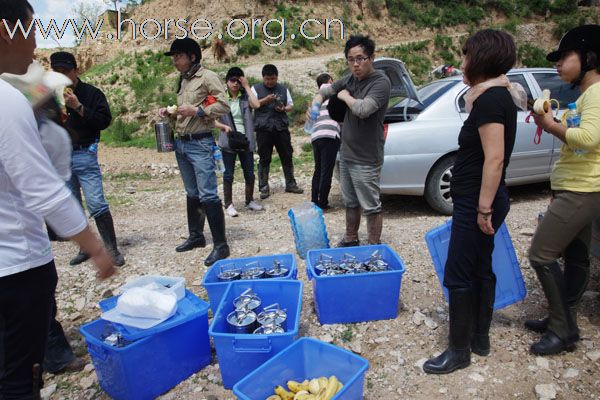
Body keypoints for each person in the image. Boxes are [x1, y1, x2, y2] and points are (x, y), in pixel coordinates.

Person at [0, 2, 115, 398]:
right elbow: (42, 187)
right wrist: (95, 248)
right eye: (30, 29)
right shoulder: (5, 99)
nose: (34, 41)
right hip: (14, 267)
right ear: (6, 30)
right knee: (17, 382)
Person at [422, 29, 522, 374]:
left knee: (459, 273)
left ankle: (459, 350)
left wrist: (482, 208)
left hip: (479, 202)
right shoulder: (494, 96)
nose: (462, 62)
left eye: (466, 55)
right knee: (480, 268)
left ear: (480, 59)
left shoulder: (492, 99)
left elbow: (494, 159)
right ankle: (480, 338)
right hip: (483, 199)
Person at [527, 24, 600, 356]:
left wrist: (548, 125)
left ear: (588, 57)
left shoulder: (597, 92)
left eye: (564, 57)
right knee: (576, 257)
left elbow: (588, 139)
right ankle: (563, 317)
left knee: (541, 254)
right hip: (579, 187)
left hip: (582, 189)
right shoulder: (586, 95)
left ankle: (562, 328)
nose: (558, 64)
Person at [309, 35, 391, 246]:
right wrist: (317, 103)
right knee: (350, 201)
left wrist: (344, 96)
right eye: (351, 59)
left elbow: (363, 109)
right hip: (346, 153)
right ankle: (351, 238)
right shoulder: (349, 79)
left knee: (371, 205)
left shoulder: (380, 82)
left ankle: (373, 245)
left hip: (367, 156)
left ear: (372, 58)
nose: (355, 64)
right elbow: (326, 90)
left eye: (361, 58)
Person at [158, 38, 231, 266]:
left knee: (208, 193)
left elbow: (224, 105)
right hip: (182, 144)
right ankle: (197, 237)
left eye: (178, 56)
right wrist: (171, 113)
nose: (174, 61)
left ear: (192, 56)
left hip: (200, 144)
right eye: (173, 57)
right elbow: (185, 110)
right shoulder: (183, 80)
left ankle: (221, 245)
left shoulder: (208, 77)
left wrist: (198, 111)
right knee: (192, 193)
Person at [49, 51, 125, 267]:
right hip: (61, 158)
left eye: (66, 71)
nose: (62, 76)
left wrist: (79, 107)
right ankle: (84, 248)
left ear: (76, 70)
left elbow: (104, 121)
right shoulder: (49, 96)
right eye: (57, 72)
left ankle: (112, 249)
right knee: (72, 204)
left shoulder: (91, 93)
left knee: (96, 202)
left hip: (84, 153)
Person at [214, 67, 263, 217]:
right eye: (232, 80)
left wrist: (247, 86)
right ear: (227, 82)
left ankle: (249, 200)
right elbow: (210, 118)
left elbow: (257, 105)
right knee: (228, 174)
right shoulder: (221, 98)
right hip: (228, 140)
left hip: (245, 139)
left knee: (249, 173)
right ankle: (228, 204)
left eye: (238, 81)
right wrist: (223, 127)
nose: (235, 84)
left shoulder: (245, 97)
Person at [251, 64, 303, 199]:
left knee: (287, 155)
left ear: (277, 77)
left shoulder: (283, 89)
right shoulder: (255, 88)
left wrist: (284, 109)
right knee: (264, 158)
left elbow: (291, 105)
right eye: (267, 79)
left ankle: (290, 184)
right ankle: (263, 187)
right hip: (263, 129)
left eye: (273, 79)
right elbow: (253, 104)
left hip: (281, 128)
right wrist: (266, 100)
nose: (270, 82)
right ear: (263, 78)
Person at [310, 73, 341, 211]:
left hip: (316, 136)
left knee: (318, 169)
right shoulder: (335, 94)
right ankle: (322, 203)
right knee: (326, 170)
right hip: (330, 134)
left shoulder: (317, 98)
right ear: (330, 80)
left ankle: (314, 201)